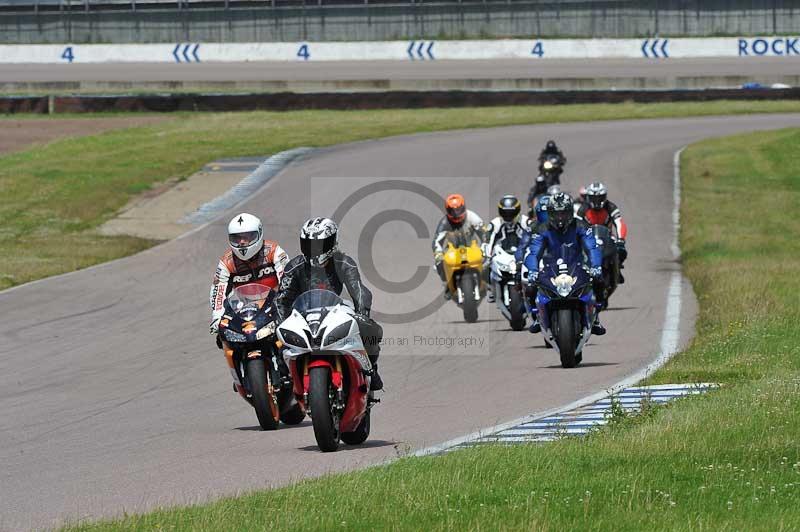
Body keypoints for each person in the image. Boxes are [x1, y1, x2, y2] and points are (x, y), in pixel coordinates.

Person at [275, 217, 384, 391]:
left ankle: (371, 369)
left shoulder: (344, 262)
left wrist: (362, 312)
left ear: (332, 243)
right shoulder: (294, 267)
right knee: (276, 340)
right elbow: (282, 299)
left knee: (372, 331)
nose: (314, 249)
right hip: (303, 316)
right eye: (309, 243)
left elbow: (359, 290)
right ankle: (284, 379)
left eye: (320, 244)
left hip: (337, 313)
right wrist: (280, 324)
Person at [518, 193, 606, 336]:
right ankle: (536, 317)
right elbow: (533, 252)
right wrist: (533, 271)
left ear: (570, 212)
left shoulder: (581, 225)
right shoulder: (542, 229)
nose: (560, 218)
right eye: (556, 214)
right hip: (550, 268)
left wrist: (596, 266)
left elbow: (592, 247)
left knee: (599, 280)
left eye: (564, 213)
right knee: (530, 286)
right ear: (550, 213)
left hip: (577, 266)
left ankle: (595, 317)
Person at [209, 212, 289, 336]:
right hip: (244, 312)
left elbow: (287, 279)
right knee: (226, 341)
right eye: (237, 238)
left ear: (259, 234)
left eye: (247, 237)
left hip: (275, 306)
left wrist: (286, 305)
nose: (242, 242)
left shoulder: (274, 251)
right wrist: (217, 316)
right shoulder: (226, 262)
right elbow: (218, 291)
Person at [432, 193, 486, 292]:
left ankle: (488, 283)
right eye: (453, 211)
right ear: (447, 210)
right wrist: (438, 254)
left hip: (472, 246)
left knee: (488, 259)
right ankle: (447, 284)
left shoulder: (472, 217)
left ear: (464, 207)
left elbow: (484, 233)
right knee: (439, 263)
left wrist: (485, 247)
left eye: (459, 210)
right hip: (452, 248)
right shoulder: (444, 223)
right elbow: (436, 241)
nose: (456, 213)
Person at [576, 181, 628, 283]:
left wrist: (621, 239)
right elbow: (577, 225)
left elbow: (619, 223)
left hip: (607, 237)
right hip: (588, 237)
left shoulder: (611, 207)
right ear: (588, 197)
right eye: (594, 198)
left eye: (600, 197)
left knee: (622, 251)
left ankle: (617, 269)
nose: (597, 201)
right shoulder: (583, 208)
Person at [485, 195, 530, 303]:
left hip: (521, 251)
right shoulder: (495, 223)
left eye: (511, 213)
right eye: (505, 213)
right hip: (502, 252)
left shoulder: (525, 221)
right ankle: (491, 289)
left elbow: (534, 235)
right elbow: (488, 240)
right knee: (486, 265)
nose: (508, 216)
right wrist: (487, 254)